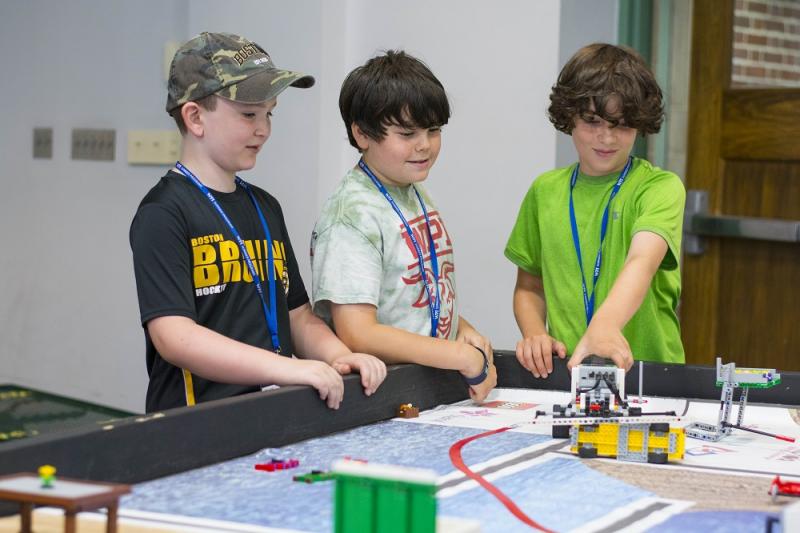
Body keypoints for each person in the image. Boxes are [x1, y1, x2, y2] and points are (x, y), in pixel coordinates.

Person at [130, 32, 386, 413]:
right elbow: (175, 337)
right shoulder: (164, 212)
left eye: (269, 113)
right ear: (195, 117)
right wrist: (287, 369)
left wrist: (338, 355)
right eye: (249, 114)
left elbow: (298, 316)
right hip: (195, 424)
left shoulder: (265, 207)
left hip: (268, 414)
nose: (263, 128)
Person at [310, 50, 497, 402]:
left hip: (424, 386)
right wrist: (458, 355)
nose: (424, 145)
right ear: (362, 134)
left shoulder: (411, 189)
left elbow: (413, 295)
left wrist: (462, 329)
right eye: (407, 133)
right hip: (377, 395)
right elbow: (357, 332)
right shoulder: (352, 214)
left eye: (434, 130)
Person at [505, 43, 685, 378]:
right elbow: (529, 287)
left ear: (640, 124)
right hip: (568, 376)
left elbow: (642, 261)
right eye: (592, 121)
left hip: (651, 377)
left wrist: (605, 326)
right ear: (569, 116)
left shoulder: (660, 188)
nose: (606, 137)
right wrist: (535, 333)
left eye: (621, 124)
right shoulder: (545, 191)